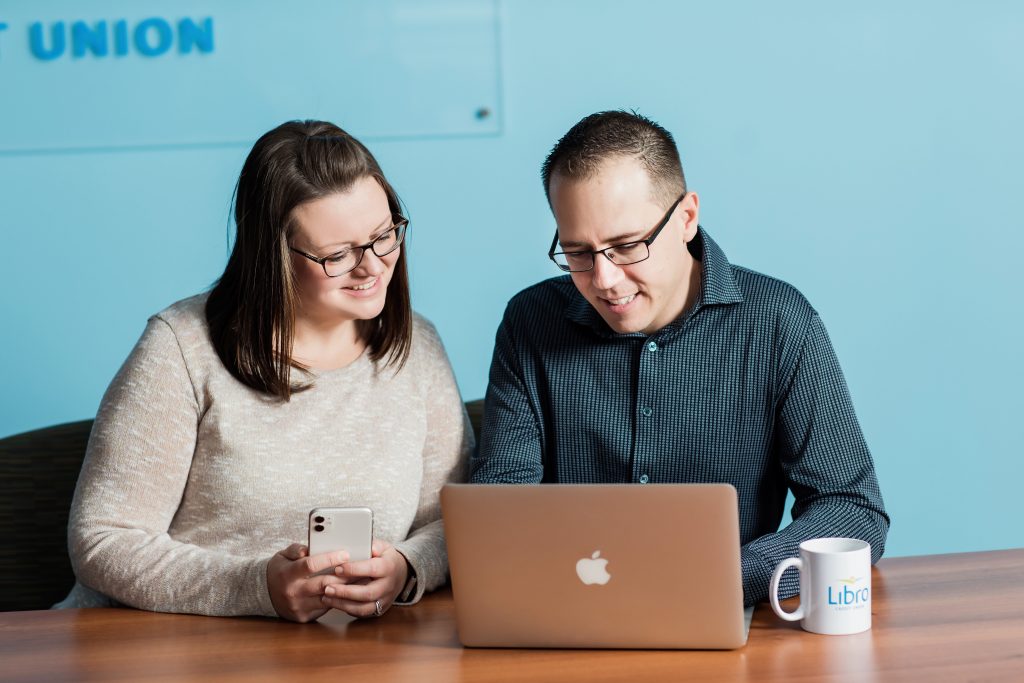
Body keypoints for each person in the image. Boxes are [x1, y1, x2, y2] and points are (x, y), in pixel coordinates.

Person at [56, 120, 472, 622]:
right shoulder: (181, 347)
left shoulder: (417, 344)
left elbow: (455, 519)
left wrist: (407, 567)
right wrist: (257, 588)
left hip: (348, 652)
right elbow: (103, 538)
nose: (373, 267)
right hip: (173, 648)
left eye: (384, 236)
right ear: (271, 255)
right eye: (338, 255)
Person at [470, 111, 889, 606]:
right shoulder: (530, 321)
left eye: (627, 246)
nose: (603, 280)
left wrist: (726, 578)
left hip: (724, 611)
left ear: (686, 218)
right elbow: (502, 506)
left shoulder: (778, 322)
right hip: (570, 612)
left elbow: (851, 508)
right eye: (578, 252)